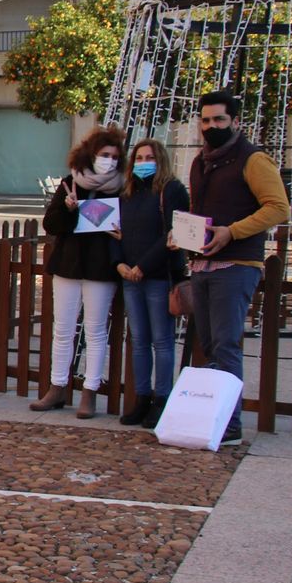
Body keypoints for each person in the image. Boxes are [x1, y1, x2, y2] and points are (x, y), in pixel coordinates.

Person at [178, 90, 291, 445]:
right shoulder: (200, 161)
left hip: (237, 263)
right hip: (203, 264)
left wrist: (233, 232)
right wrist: (183, 236)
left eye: (220, 120)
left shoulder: (253, 159)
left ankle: (230, 424)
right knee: (210, 344)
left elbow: (278, 207)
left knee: (226, 344)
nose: (212, 127)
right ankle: (214, 415)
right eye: (206, 120)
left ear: (236, 122)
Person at [31, 126, 127, 418]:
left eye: (113, 156)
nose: (108, 160)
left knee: (96, 331)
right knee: (63, 329)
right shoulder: (70, 182)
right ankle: (57, 386)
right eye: (103, 154)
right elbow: (51, 225)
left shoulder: (125, 187)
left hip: (101, 267)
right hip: (69, 264)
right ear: (91, 154)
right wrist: (68, 208)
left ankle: (90, 391)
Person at [113, 137, 189, 428]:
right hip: (130, 276)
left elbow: (172, 233)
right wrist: (120, 264)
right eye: (139, 158)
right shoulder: (127, 192)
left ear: (161, 160)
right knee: (139, 341)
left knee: (162, 341)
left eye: (149, 158)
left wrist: (144, 266)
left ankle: (162, 398)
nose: (144, 163)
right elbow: (114, 230)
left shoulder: (172, 190)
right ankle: (141, 397)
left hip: (157, 275)